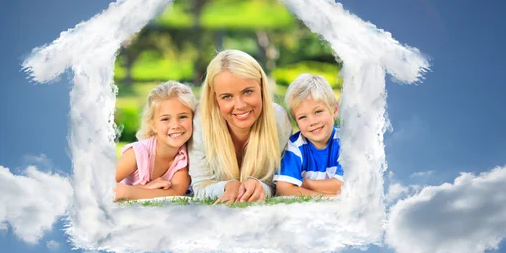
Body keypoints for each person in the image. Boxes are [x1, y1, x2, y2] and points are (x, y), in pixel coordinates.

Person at [188, 49, 292, 205]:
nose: (240, 105)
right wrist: (227, 187)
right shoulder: (200, 122)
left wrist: (261, 188)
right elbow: (199, 186)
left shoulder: (278, 120)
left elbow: (280, 183)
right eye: (227, 96)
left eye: (248, 91)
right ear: (215, 98)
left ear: (262, 89)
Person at [114, 81, 196, 201]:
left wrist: (131, 191)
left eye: (183, 117)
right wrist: (143, 189)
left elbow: (177, 192)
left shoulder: (184, 156)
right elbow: (101, 187)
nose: (175, 125)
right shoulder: (137, 154)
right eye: (165, 119)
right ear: (153, 125)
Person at [274, 73, 344, 197]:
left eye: (318, 111)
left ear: (334, 110)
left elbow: (343, 185)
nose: (312, 122)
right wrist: (327, 198)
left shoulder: (345, 141)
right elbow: (283, 189)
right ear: (296, 121)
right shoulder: (294, 146)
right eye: (302, 117)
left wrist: (304, 183)